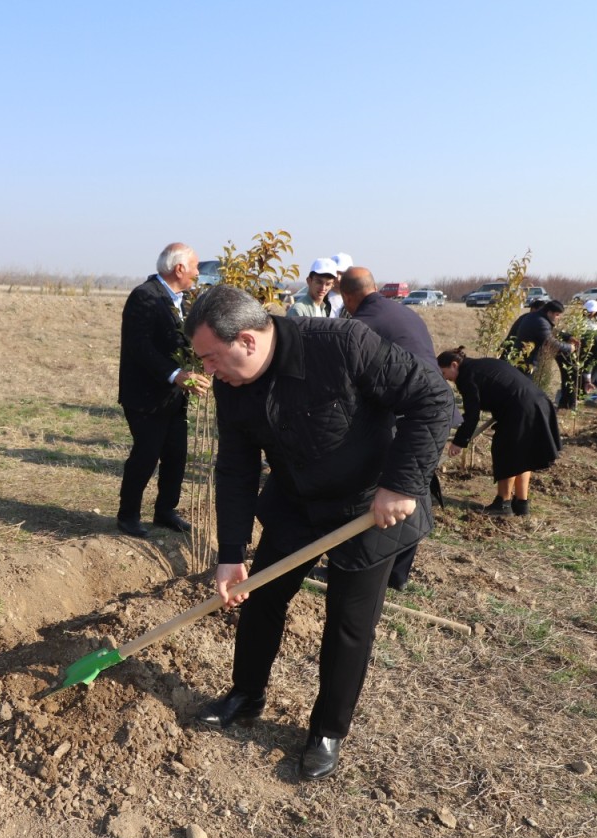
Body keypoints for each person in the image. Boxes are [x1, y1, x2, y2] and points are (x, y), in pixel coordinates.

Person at [184, 285, 451, 781]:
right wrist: (230, 551)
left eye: (210, 358)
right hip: (295, 503)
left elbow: (433, 399)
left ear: (246, 340)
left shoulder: (343, 344)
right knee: (261, 599)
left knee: (348, 624)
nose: (207, 371)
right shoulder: (231, 384)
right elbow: (237, 467)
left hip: (368, 509)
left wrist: (401, 484)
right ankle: (246, 694)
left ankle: (327, 731)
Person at [339, 266, 446, 588]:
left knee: (387, 496)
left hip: (403, 419)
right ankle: (398, 574)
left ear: (346, 296)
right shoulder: (404, 314)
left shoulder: (360, 328)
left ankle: (368, 570)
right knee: (413, 489)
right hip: (434, 414)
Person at [116, 243, 211, 538]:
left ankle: (165, 510)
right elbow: (140, 347)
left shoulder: (181, 300)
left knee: (175, 454)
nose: (198, 273)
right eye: (195, 266)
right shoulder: (145, 297)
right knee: (146, 454)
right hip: (145, 396)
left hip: (172, 396)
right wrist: (174, 374)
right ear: (179, 268)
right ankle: (128, 514)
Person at [437, 348, 562, 517]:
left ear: (454, 365)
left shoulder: (467, 376)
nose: (446, 378)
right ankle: (521, 503)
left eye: (444, 373)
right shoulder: (483, 364)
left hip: (520, 408)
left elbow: (472, 415)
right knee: (521, 455)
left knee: (506, 453)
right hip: (537, 402)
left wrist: (459, 441)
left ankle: (502, 504)